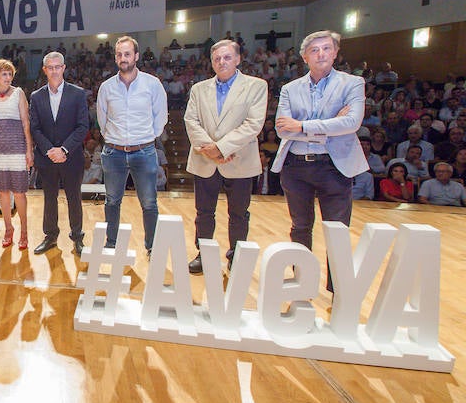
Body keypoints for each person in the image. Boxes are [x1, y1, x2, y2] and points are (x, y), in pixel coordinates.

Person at [272, 30, 367, 294]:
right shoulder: (290, 89)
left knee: (337, 231)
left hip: (334, 166)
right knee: (300, 227)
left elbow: (351, 123)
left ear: (335, 52)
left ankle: (338, 290)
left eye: (326, 48)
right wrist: (331, 122)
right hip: (296, 165)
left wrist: (302, 125)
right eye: (314, 50)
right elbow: (282, 129)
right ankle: (302, 284)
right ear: (305, 57)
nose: (321, 54)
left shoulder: (353, 83)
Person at [183, 39, 267, 274]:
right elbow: (190, 121)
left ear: (238, 59)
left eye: (227, 57)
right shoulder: (199, 89)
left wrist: (220, 148)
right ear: (211, 62)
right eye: (217, 58)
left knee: (239, 214)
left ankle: (236, 257)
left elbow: (253, 124)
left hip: (238, 159)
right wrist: (210, 149)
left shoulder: (256, 86)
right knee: (203, 213)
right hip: (204, 159)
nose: (222, 62)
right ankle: (204, 254)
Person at [97, 35, 168, 253]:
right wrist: (115, 139)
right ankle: (111, 243)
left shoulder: (152, 84)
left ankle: (152, 246)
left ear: (136, 56)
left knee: (149, 202)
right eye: (119, 54)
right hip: (114, 152)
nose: (123, 58)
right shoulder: (106, 87)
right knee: (111, 201)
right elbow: (102, 119)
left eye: (127, 54)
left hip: (144, 151)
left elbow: (161, 117)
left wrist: (146, 138)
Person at [29, 52, 89, 255]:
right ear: (44, 70)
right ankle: (51, 236)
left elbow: (82, 127)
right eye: (50, 67)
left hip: (71, 156)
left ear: (64, 68)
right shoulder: (36, 96)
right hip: (47, 158)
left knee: (74, 197)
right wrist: (50, 150)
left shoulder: (78, 93)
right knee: (49, 198)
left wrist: (63, 149)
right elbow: (35, 128)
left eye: (57, 67)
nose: (54, 71)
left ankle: (77, 236)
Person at [0, 59, 33, 250]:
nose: (8, 77)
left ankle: (25, 231)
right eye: (4, 74)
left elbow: (26, 123)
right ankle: (8, 229)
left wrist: (29, 149)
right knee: (2, 192)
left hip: (16, 148)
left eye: (10, 74)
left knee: (19, 192)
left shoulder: (19, 93)